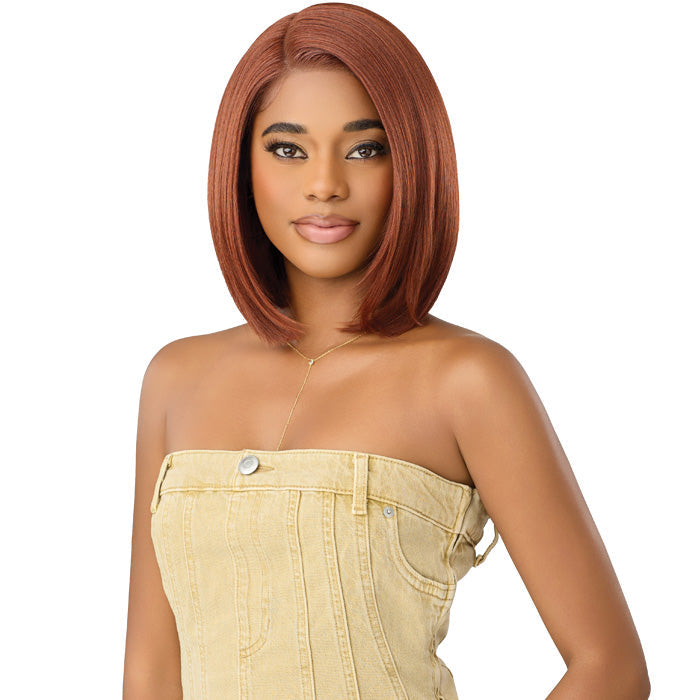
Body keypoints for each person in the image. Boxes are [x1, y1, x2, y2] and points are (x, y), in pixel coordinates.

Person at [123, 3, 650, 698]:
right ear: (240, 164)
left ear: (414, 162)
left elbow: (609, 668)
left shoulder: (466, 380)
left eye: (366, 148)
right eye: (288, 149)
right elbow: (151, 673)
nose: (325, 184)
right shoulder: (176, 378)